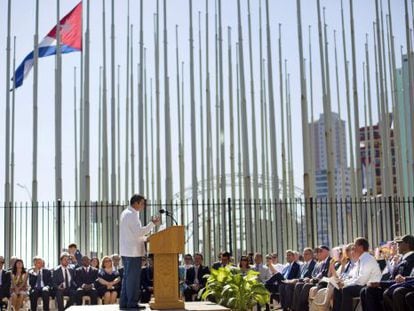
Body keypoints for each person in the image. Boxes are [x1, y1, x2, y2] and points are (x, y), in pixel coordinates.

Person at [119, 194, 160, 310]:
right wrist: (152, 223)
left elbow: (134, 235)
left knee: (127, 279)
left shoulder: (126, 213)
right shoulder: (131, 215)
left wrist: (145, 239)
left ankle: (125, 303)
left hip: (128, 251)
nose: (143, 206)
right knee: (132, 279)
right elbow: (138, 232)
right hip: (132, 252)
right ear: (136, 203)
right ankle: (131, 304)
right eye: (142, 203)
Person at [361, 234, 414, 311]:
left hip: (400, 286)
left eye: (400, 243)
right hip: (392, 284)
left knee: (389, 292)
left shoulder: (411, 260)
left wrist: (381, 283)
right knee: (365, 290)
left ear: (407, 244)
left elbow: (401, 280)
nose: (397, 245)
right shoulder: (402, 259)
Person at [332, 237, 382, 311]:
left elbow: (361, 281)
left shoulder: (368, 259)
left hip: (371, 287)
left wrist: (345, 284)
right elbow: (355, 277)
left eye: (354, 246)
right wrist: (344, 283)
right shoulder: (361, 259)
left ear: (361, 248)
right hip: (363, 284)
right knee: (337, 288)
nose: (353, 248)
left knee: (346, 289)